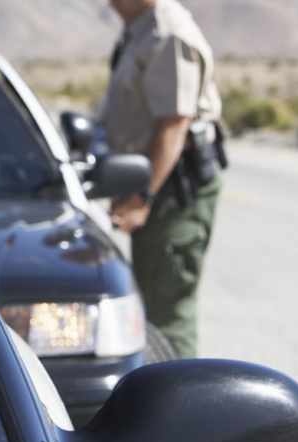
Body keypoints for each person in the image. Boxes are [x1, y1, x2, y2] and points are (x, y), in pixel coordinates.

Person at [99, 0, 225, 359]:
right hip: (155, 186)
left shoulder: (168, 34)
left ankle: (182, 412)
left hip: (171, 192)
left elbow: (173, 125)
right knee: (152, 307)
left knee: (167, 315)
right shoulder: (141, 30)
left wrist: (142, 197)